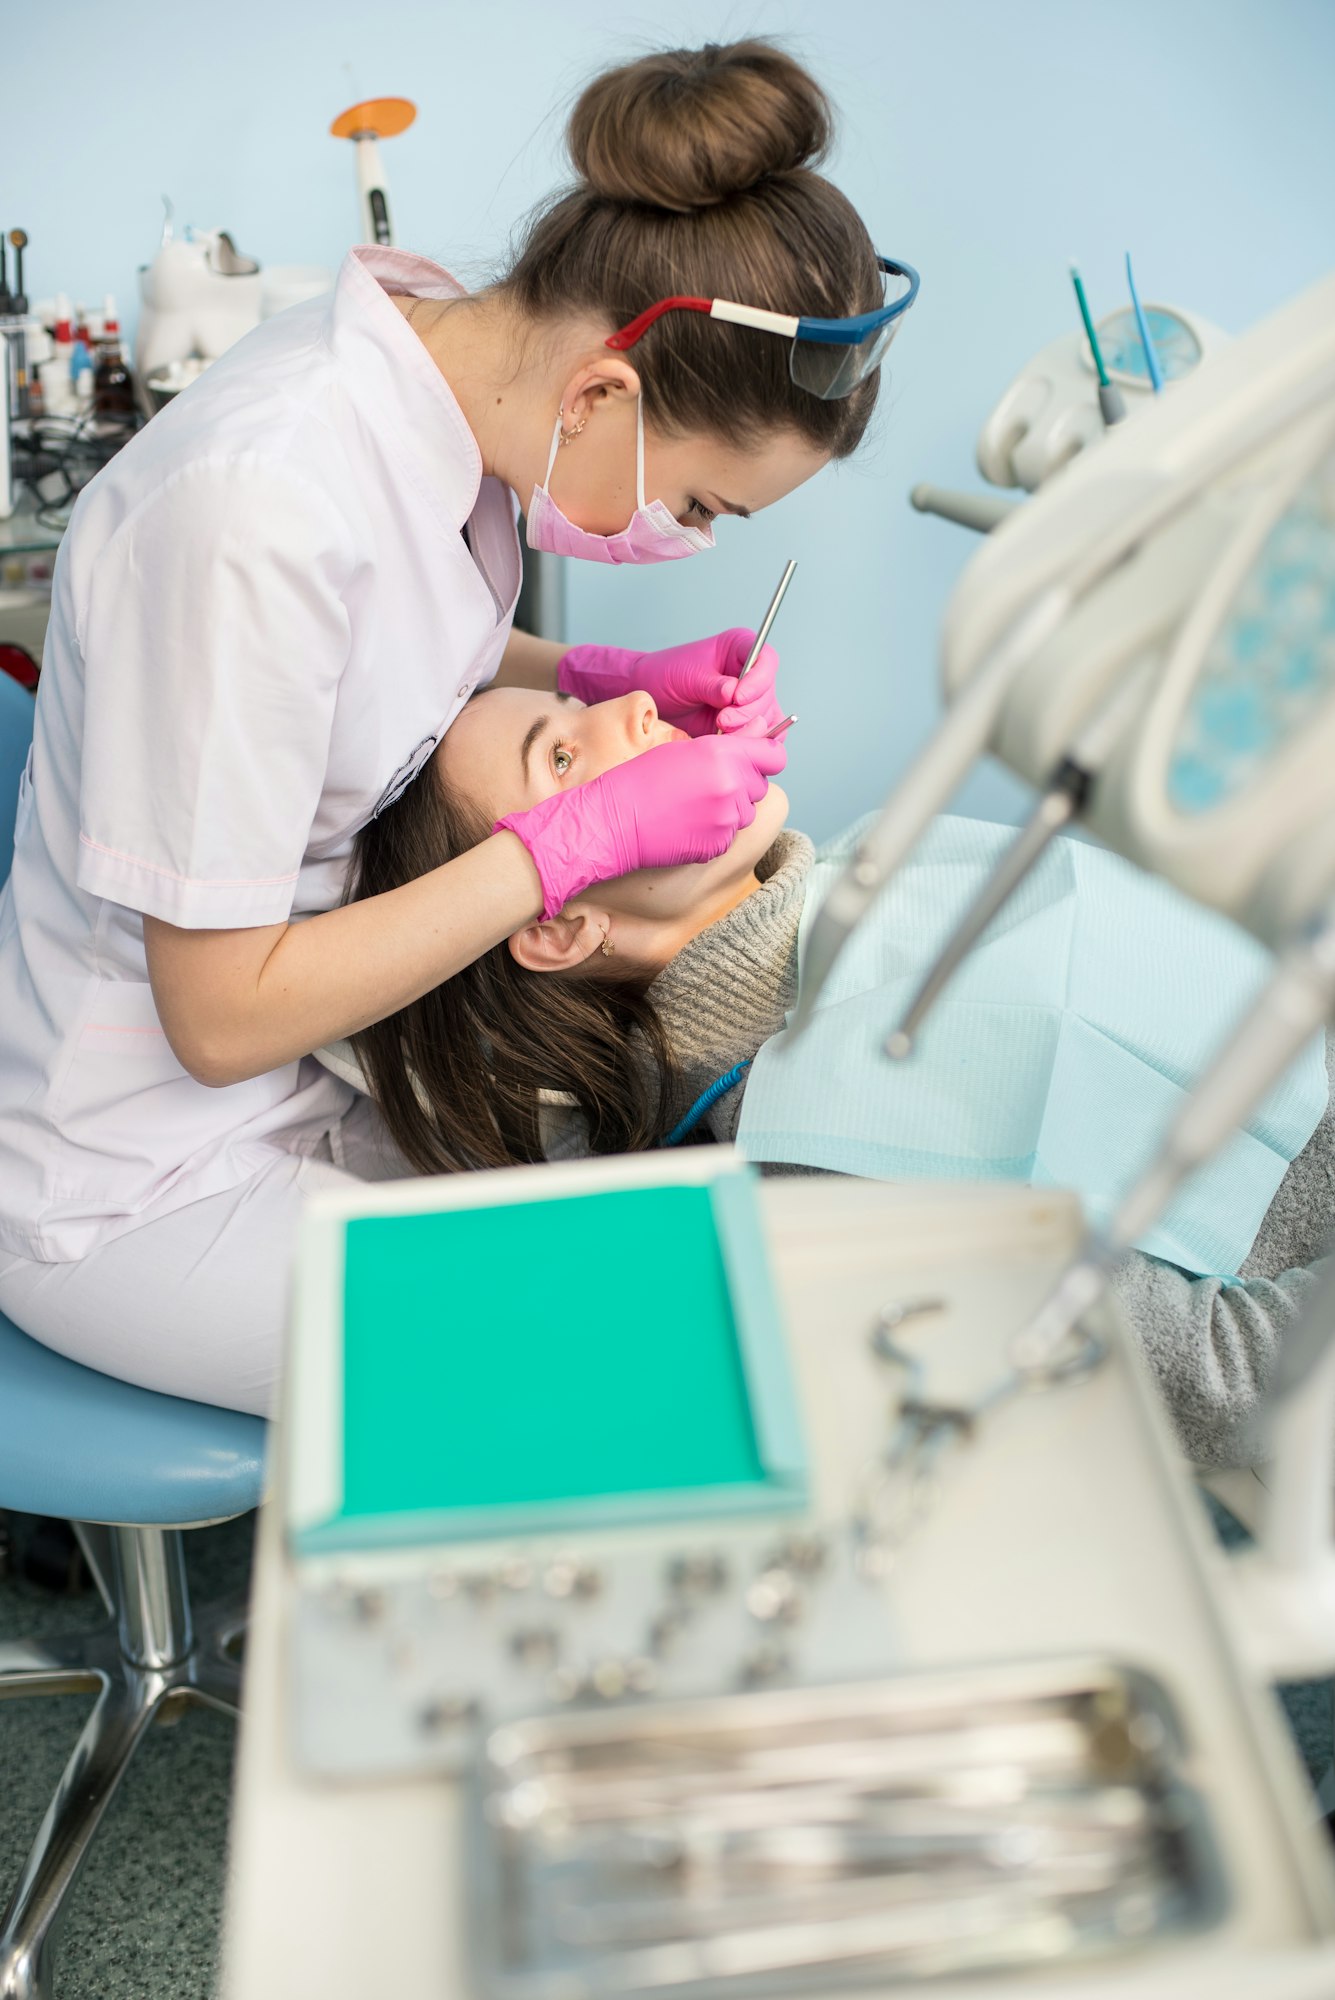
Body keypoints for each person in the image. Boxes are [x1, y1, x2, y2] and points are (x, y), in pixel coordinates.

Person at [0, 41, 911, 1414]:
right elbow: (218, 1017)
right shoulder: (256, 515)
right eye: (706, 506)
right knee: (631, 1362)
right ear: (599, 394)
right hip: (132, 1176)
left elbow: (378, 654)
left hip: (318, 1082)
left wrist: (611, 670)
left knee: (649, 1227)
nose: (685, 538)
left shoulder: (443, 368)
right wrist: (561, 845)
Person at [326, 683, 1335, 1470]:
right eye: (562, 754)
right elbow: (1238, 1375)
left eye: (583, 707)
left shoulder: (873, 862)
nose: (636, 710)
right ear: (558, 925)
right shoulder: (826, 1157)